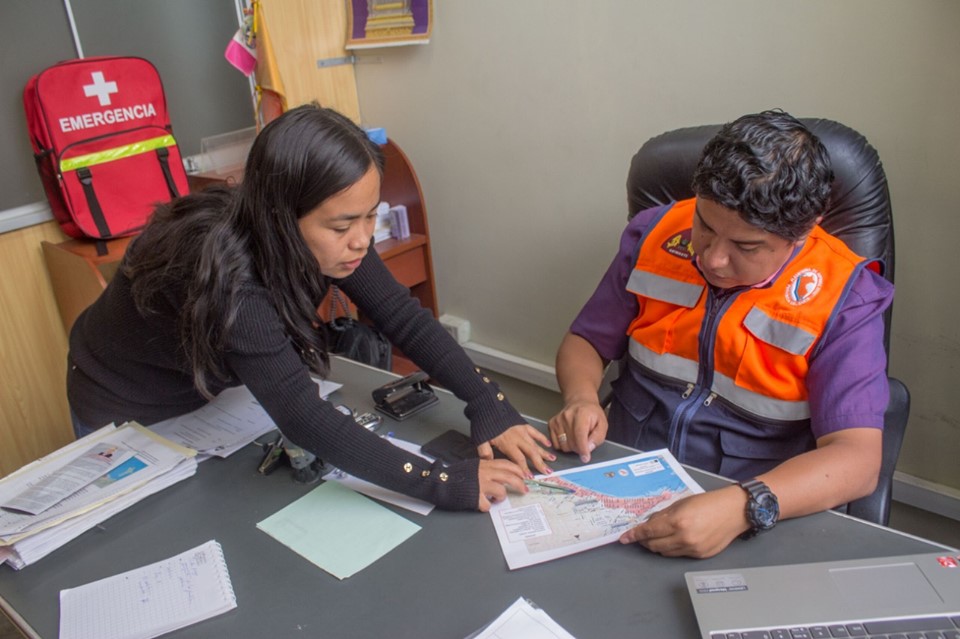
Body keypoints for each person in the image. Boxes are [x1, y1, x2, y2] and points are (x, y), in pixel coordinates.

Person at [67, 104, 554, 512]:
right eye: (342, 226)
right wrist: (442, 481)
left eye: (371, 216)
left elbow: (403, 318)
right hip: (126, 402)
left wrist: (488, 402)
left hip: (210, 394)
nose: (362, 239)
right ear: (282, 217)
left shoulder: (326, 241)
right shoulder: (231, 279)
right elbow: (301, 415)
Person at [548, 110, 892, 557]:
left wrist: (744, 506)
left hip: (748, 496)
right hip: (624, 469)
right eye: (705, 227)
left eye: (746, 247)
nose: (712, 259)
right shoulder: (654, 233)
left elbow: (858, 459)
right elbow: (586, 343)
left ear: (803, 232)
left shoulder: (845, 295)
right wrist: (581, 399)